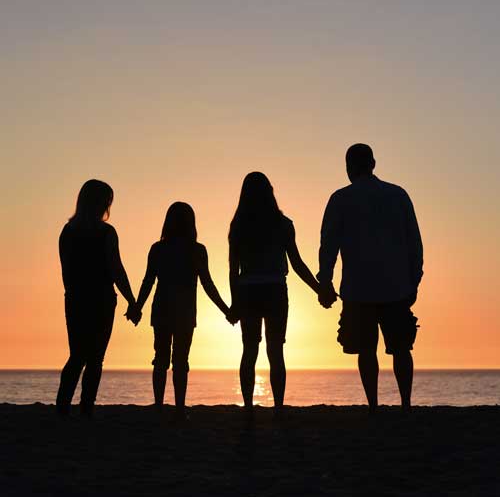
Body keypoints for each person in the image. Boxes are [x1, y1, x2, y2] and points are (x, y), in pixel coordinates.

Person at [317, 144, 423, 414]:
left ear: (349, 167)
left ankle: (374, 405)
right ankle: (406, 404)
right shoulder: (398, 195)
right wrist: (414, 280)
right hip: (396, 285)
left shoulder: (341, 199)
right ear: (373, 163)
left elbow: (328, 245)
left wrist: (325, 280)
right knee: (401, 348)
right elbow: (415, 244)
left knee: (366, 349)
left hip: (358, 288)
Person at [228, 172, 320, 420]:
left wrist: (234, 302)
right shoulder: (282, 224)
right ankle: (278, 406)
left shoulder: (239, 226)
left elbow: (232, 270)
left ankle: (248, 407)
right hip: (275, 290)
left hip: (247, 290)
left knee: (249, 350)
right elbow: (297, 263)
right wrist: (318, 288)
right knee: (275, 350)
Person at [132, 202, 230, 421]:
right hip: (185, 312)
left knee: (160, 358)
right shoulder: (197, 250)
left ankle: (158, 407)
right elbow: (208, 284)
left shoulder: (158, 249)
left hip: (162, 309)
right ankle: (178, 410)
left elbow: (148, 281)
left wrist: (138, 306)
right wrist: (226, 310)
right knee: (180, 361)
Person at [56, 179, 136, 417]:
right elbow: (116, 269)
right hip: (100, 299)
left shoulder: (68, 232)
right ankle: (85, 408)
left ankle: (63, 406)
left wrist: (73, 294)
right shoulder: (106, 233)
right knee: (94, 358)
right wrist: (131, 300)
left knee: (77, 355)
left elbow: (66, 271)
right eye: (107, 201)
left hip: (76, 299)